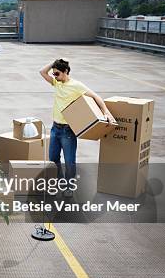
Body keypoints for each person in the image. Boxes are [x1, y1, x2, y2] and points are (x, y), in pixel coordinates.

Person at [39, 59, 115, 197]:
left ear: (66, 72)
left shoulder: (76, 86)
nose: (55, 76)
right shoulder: (57, 83)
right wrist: (54, 63)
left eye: (57, 74)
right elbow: (42, 72)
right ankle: (60, 181)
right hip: (55, 129)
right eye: (54, 74)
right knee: (53, 158)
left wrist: (106, 112)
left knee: (69, 161)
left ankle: (69, 186)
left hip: (68, 130)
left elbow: (96, 97)